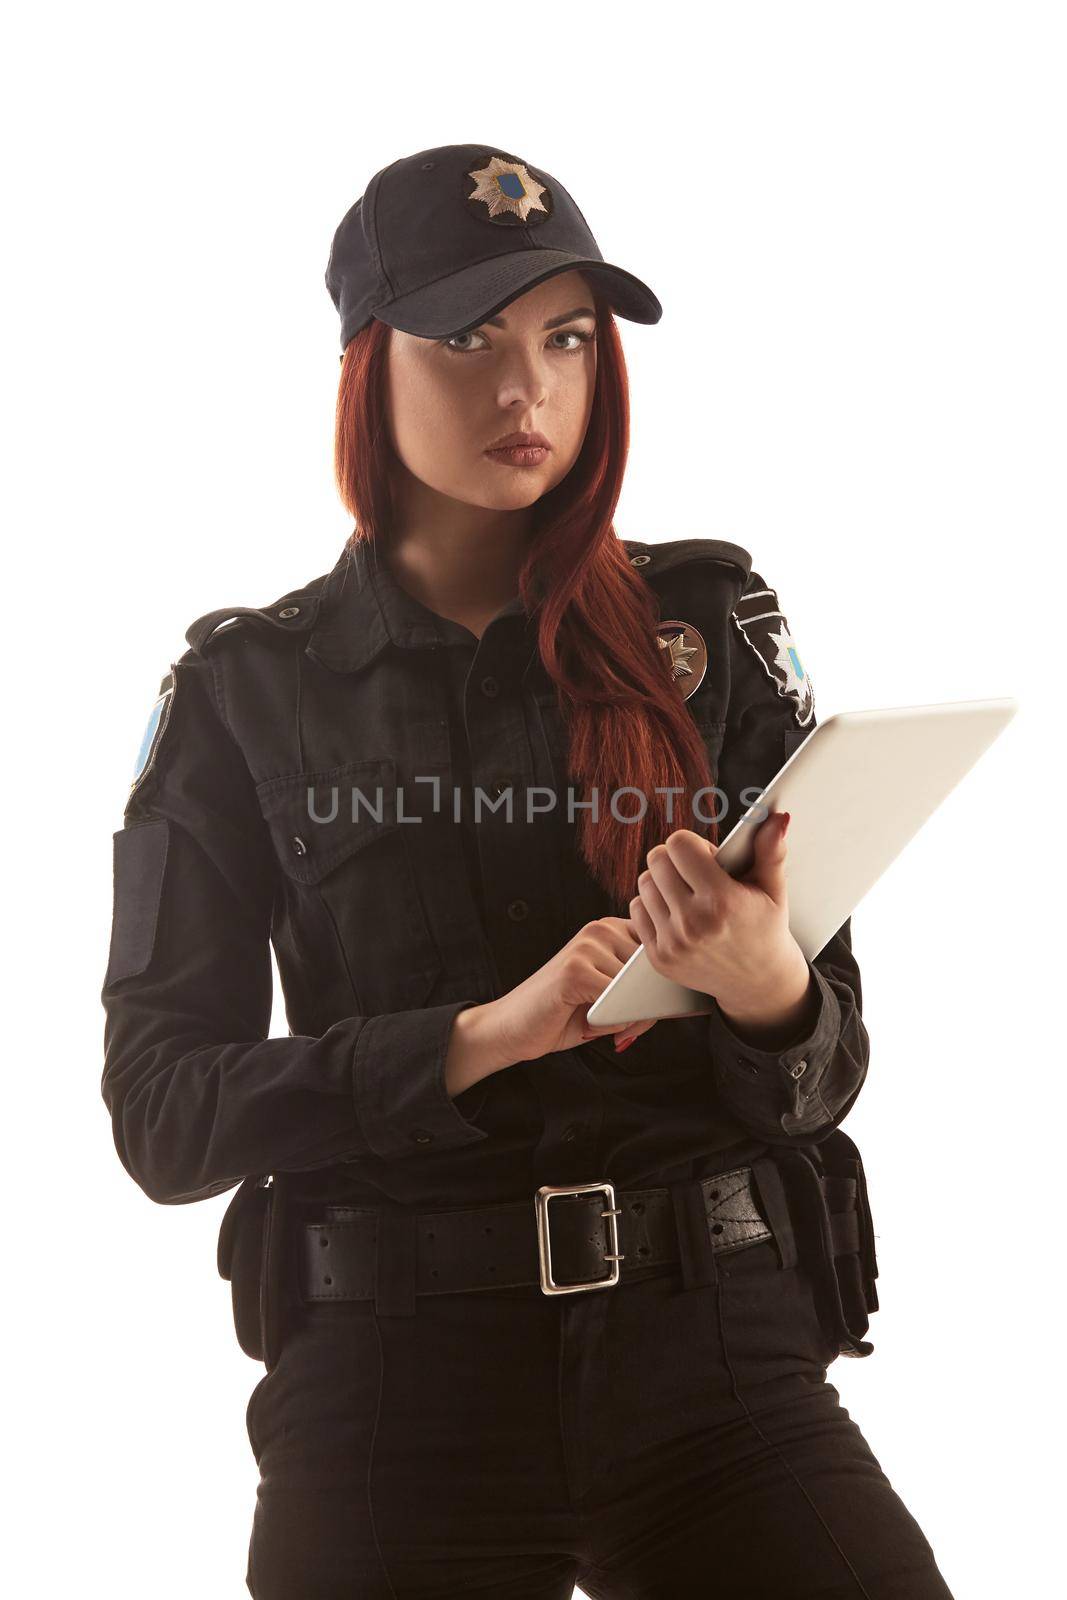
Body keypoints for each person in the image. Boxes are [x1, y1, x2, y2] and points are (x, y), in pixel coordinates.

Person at [100, 144, 955, 1599]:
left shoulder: (709, 628)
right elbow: (163, 1114)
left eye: (566, 337)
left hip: (716, 1369)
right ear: (369, 366)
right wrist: (469, 1044)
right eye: (469, 340)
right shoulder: (247, 689)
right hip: (392, 1389)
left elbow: (833, 1057)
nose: (528, 390)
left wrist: (769, 993)